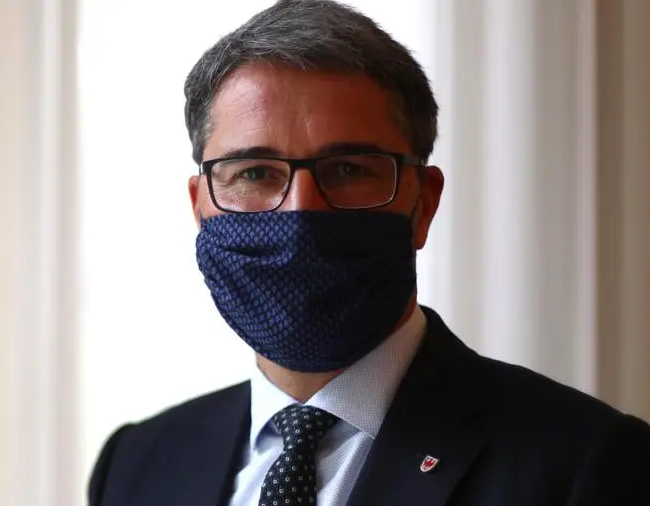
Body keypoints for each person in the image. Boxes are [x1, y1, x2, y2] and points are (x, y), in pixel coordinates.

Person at [87, 1, 650, 505]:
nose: (300, 213)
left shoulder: (587, 465)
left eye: (349, 170)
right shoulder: (137, 465)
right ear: (200, 205)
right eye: (254, 173)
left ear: (423, 203)